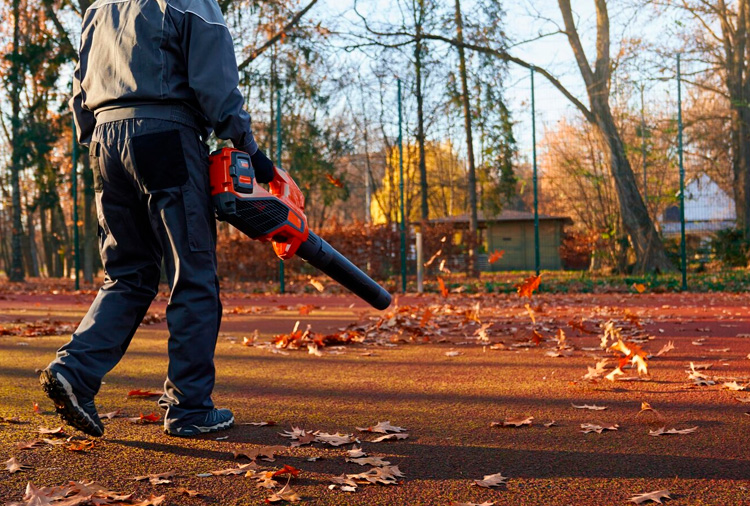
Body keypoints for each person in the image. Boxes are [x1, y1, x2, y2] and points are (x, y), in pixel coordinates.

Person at [39, 0, 274, 437]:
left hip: (104, 142)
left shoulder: (99, 7)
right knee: (193, 273)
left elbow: (79, 90)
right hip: (167, 133)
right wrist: (252, 153)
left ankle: (75, 371)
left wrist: (97, 143)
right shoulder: (194, 3)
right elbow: (217, 86)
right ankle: (189, 408)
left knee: (126, 274)